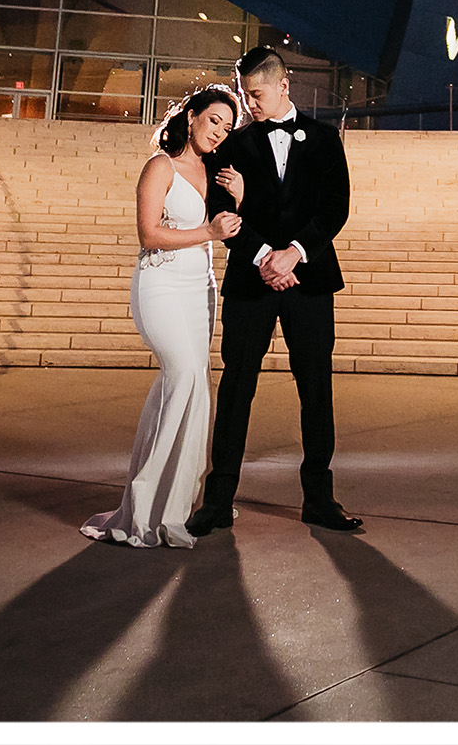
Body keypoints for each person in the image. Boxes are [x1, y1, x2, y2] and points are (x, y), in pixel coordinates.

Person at [188, 46, 364, 535]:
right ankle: (217, 501)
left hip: (309, 280)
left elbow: (334, 208)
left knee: (315, 388)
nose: (249, 104)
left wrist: (294, 254)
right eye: (245, 95)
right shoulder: (233, 144)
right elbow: (222, 213)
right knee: (237, 385)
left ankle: (320, 499)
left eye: (256, 93)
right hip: (252, 279)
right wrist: (267, 255)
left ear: (284, 85)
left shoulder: (327, 139)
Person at [80, 86, 246, 548]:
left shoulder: (216, 173)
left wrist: (240, 199)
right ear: (191, 117)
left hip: (200, 288)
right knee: (185, 374)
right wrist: (207, 230)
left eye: (227, 127)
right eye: (214, 121)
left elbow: (226, 233)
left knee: (193, 390)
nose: (219, 132)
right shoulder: (160, 165)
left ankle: (172, 505)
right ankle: (147, 504)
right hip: (161, 285)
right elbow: (149, 234)